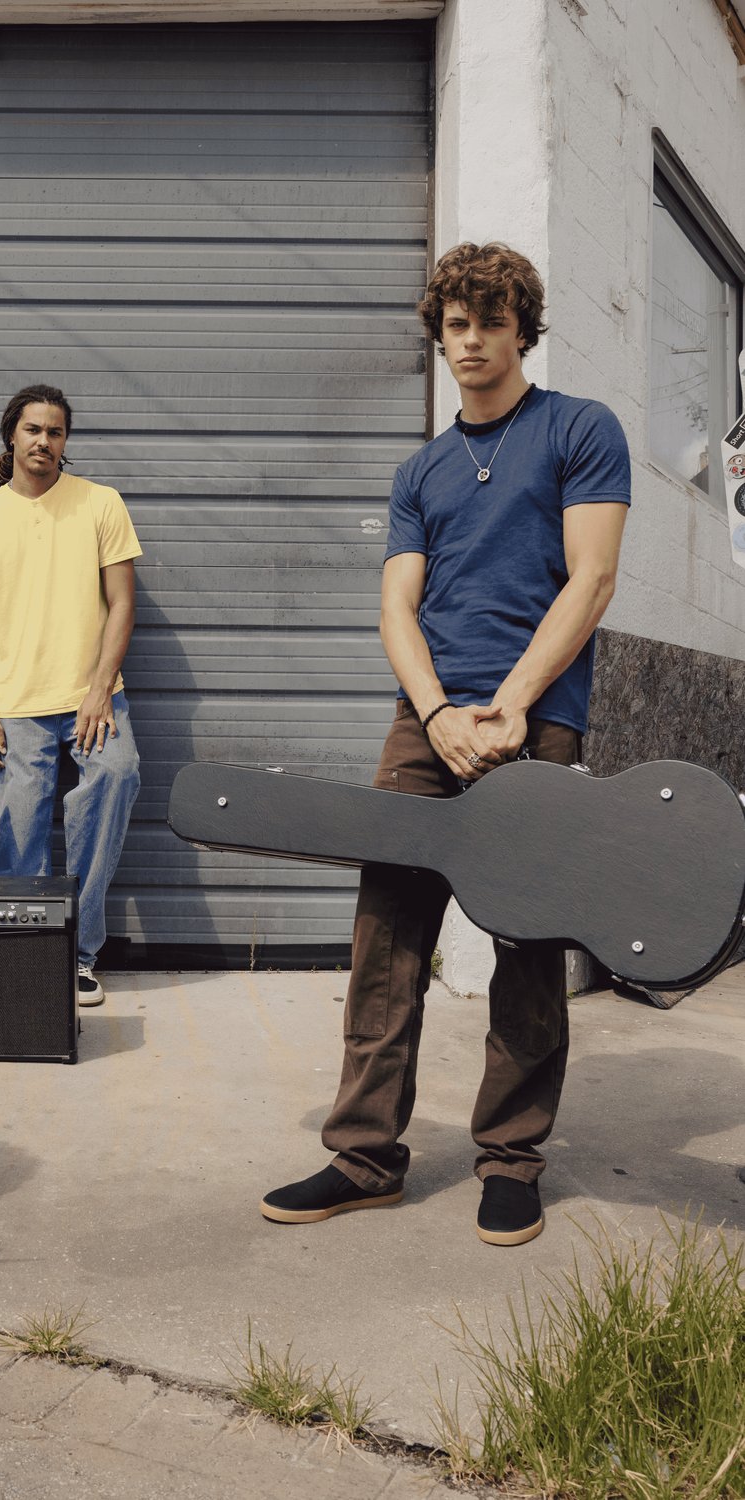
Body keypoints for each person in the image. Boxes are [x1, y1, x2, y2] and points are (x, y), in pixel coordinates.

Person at [261, 243, 630, 1247]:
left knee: (524, 941)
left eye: (488, 321)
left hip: (534, 717)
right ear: (441, 335)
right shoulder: (421, 468)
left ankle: (511, 1161)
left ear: (522, 327)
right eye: (454, 325)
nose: (470, 341)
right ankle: (364, 1157)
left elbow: (589, 582)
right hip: (426, 722)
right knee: (387, 940)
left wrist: (508, 707)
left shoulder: (580, 431)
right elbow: (396, 605)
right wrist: (434, 716)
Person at [0, 384, 143, 1006]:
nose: (44, 442)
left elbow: (123, 605)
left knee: (116, 774)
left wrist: (97, 691)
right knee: (16, 826)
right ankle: (29, 953)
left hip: (92, 697)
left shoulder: (100, 504)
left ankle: (78, 954)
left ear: (66, 442)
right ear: (12, 435)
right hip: (19, 705)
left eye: (56, 432)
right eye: (33, 430)